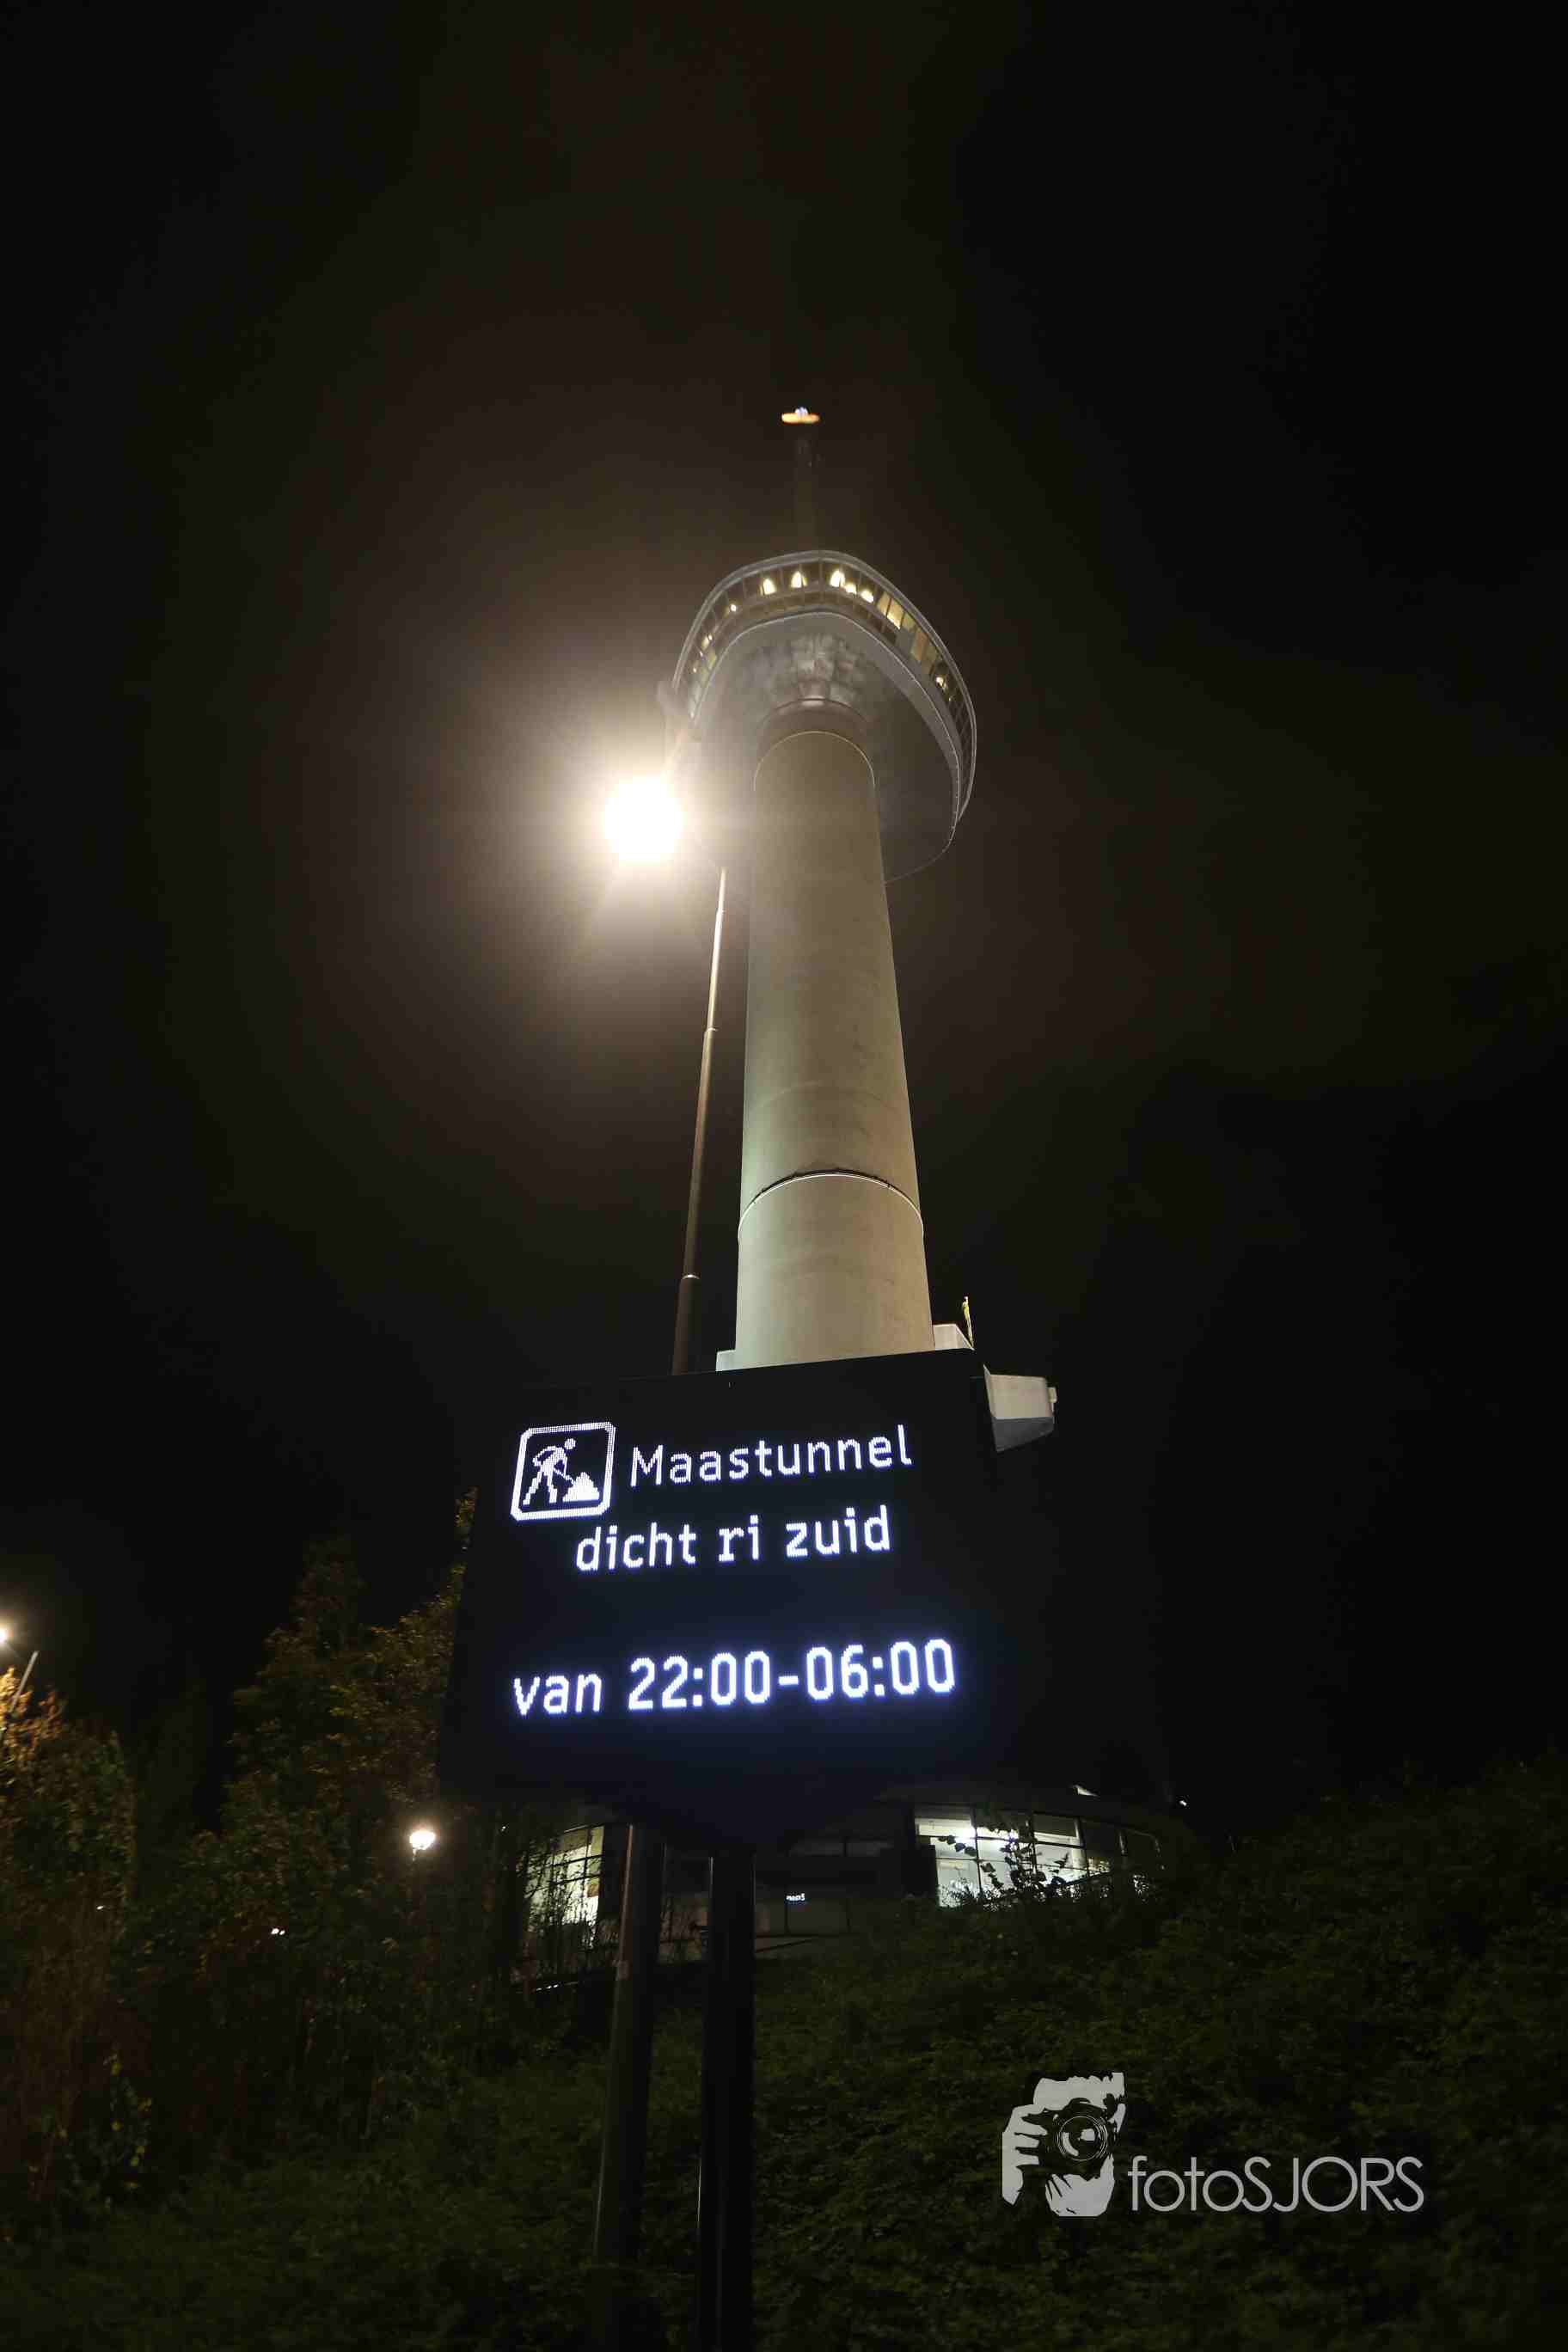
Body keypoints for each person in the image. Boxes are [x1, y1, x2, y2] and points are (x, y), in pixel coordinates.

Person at [523, 1436, 576, 1506]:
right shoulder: (554, 1448)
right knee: (536, 1483)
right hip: (544, 1467)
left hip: (550, 1470)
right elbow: (544, 1451)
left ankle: (551, 1501)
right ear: (566, 1443)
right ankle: (527, 1500)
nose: (569, 1446)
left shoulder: (564, 1458)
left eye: (571, 1445)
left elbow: (563, 1471)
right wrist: (537, 1458)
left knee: (548, 1485)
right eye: (569, 1444)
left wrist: (564, 1476)